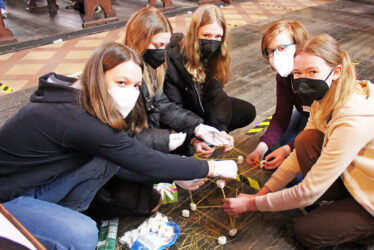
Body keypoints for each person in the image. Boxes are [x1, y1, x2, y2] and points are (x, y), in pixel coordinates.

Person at [0, 42, 238, 249]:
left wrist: (174, 175)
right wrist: (212, 168)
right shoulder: (76, 118)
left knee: (105, 163)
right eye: (121, 82)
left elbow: (123, 155)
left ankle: (63, 214)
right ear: (97, 76)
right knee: (83, 235)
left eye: (136, 86)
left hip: (33, 183)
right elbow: (142, 158)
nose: (131, 92)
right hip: (7, 200)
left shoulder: (75, 95)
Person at [223, 34, 374, 248]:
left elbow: (307, 192)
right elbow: (298, 154)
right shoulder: (323, 100)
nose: (303, 80)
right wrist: (264, 192)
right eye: (298, 73)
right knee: (305, 139)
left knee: (307, 232)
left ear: (336, 72)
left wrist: (253, 203)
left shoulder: (354, 119)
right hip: (361, 178)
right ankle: (342, 204)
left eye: (313, 72)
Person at [122, 6, 233, 158]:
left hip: (151, 133)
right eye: (158, 45)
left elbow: (161, 104)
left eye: (165, 45)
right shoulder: (125, 72)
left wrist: (197, 128)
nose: (162, 52)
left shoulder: (151, 68)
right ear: (138, 40)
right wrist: (167, 139)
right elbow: (125, 136)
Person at [164, 5, 256, 139]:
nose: (212, 41)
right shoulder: (175, 58)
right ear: (195, 33)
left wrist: (221, 129)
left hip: (201, 104)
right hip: (182, 110)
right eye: (206, 35)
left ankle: (211, 135)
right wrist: (194, 134)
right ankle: (197, 138)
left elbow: (215, 96)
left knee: (245, 111)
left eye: (217, 36)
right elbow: (174, 106)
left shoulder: (216, 55)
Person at [246, 20, 309, 171]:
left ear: (299, 44)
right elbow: (281, 116)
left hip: (327, 124)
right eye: (270, 52)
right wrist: (261, 148)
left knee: (296, 170)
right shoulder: (283, 77)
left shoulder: (319, 74)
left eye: (281, 48)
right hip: (305, 114)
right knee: (275, 151)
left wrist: (289, 149)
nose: (275, 56)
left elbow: (324, 127)